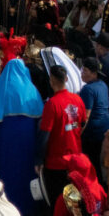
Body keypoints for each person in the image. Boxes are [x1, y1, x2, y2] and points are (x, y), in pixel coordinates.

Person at [37, 64, 87, 207]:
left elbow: (44, 134)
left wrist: (38, 159)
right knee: (74, 203)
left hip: (56, 163)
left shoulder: (52, 104)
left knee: (58, 203)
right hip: (76, 161)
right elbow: (82, 123)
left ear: (51, 80)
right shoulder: (78, 100)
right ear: (66, 79)